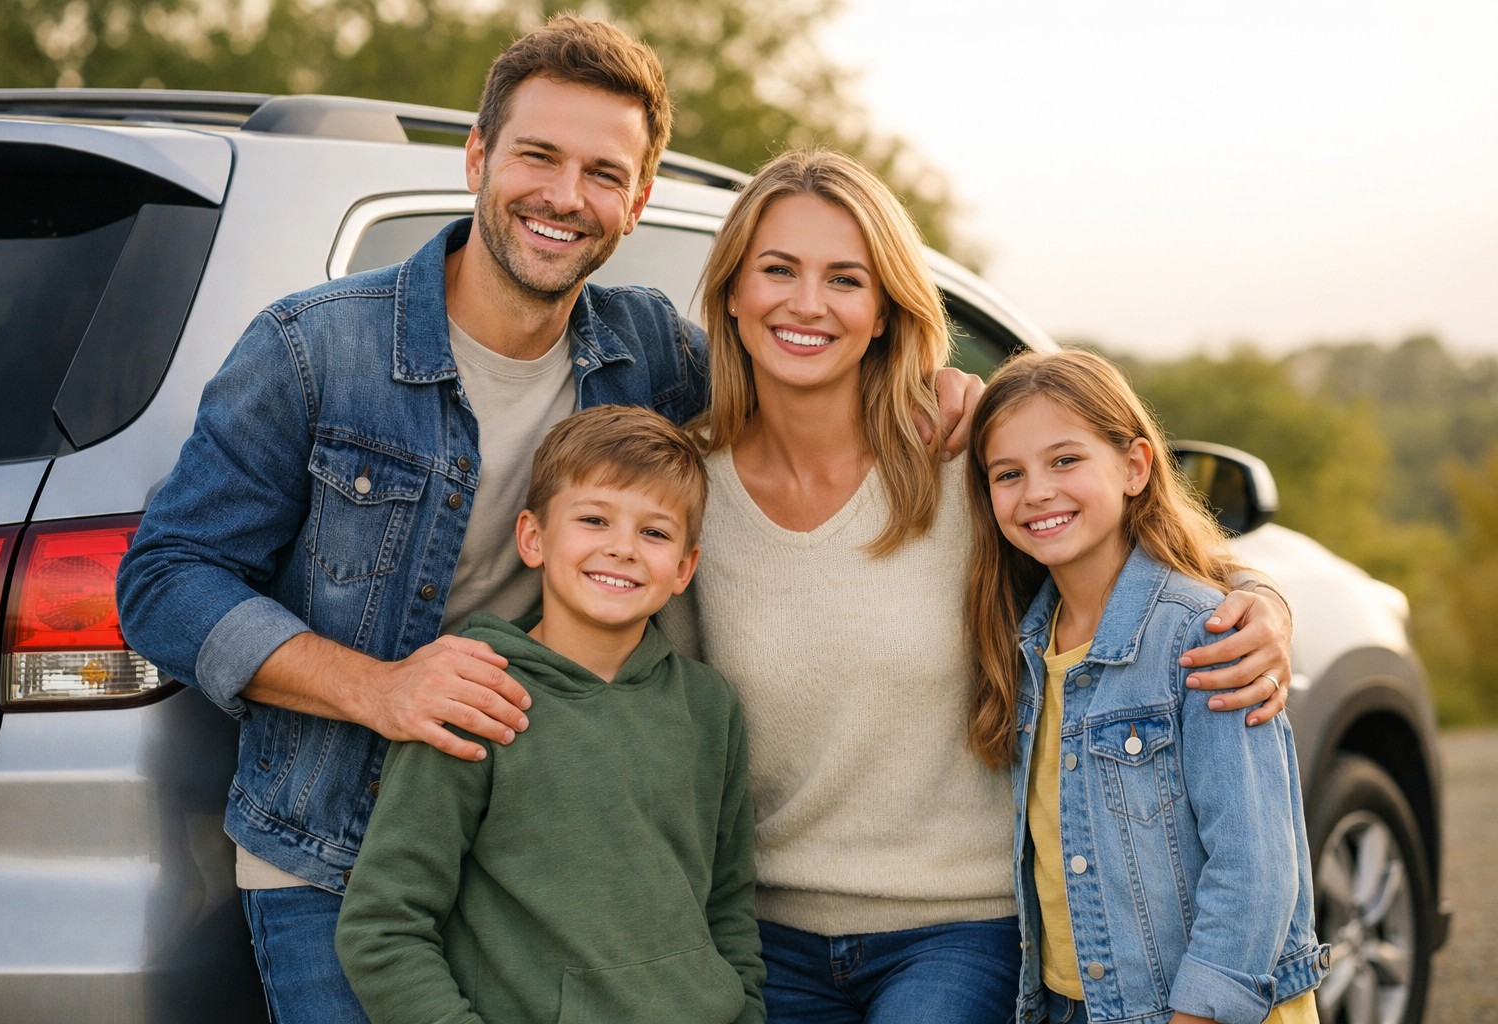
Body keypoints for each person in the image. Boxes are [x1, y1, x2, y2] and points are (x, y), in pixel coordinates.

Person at [114, 16, 980, 1020]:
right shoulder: (315, 351)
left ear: (639, 199)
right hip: (335, 850)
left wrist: (948, 393)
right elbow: (165, 578)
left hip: (541, 869)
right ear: (478, 157)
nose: (566, 197)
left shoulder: (647, 356)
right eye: (538, 155)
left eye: (603, 173)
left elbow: (793, 376)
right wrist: (380, 689)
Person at [662, 148, 1297, 1023]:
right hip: (762, 931)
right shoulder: (686, 487)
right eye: (778, 270)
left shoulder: (960, 455)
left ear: (884, 308)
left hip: (958, 929)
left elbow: (1141, 556)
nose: (807, 304)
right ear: (732, 291)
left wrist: (1260, 603)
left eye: (845, 278)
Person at [335, 405, 764, 1024]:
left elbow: (728, 905)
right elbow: (383, 925)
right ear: (533, 538)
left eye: (655, 532)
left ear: (684, 569)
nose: (622, 549)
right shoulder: (474, 697)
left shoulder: (709, 707)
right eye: (594, 520)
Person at [965, 349, 1327, 1024]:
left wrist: (1198, 1014)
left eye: (1065, 460)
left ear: (1135, 467)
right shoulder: (1024, 642)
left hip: (1205, 1009)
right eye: (1007, 473)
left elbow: (1255, 868)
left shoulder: (1204, 637)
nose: (1037, 490)